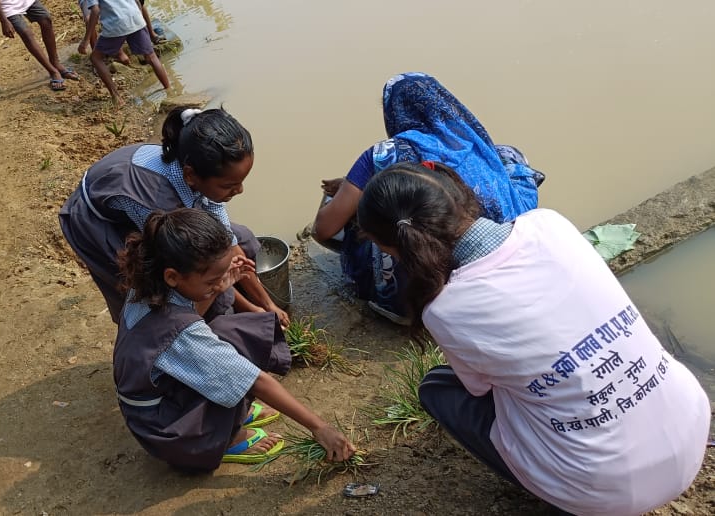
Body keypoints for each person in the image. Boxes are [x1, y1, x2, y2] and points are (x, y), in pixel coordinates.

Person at [355, 161, 710, 516]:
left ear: (397, 247)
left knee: (437, 387)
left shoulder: (446, 309)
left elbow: (480, 390)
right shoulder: (549, 223)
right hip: (690, 424)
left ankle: (560, 494)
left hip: (603, 491)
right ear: (457, 193)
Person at [114, 208, 354, 471]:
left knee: (230, 331)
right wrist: (320, 428)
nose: (217, 284)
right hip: (167, 429)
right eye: (211, 280)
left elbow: (191, 318)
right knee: (233, 364)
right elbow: (254, 379)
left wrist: (218, 287)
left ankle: (232, 416)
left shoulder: (148, 284)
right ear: (172, 276)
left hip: (155, 400)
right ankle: (226, 439)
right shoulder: (179, 332)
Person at [312, 72, 544, 325]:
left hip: (424, 291)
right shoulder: (475, 143)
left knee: (376, 212)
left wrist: (354, 188)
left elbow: (323, 230)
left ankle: (394, 301)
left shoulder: (383, 155)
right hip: (494, 266)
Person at [59, 106, 289, 328]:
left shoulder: (195, 168)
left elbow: (231, 245)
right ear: (191, 175)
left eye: (241, 182)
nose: (239, 191)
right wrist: (250, 307)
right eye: (230, 185)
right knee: (154, 294)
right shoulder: (160, 205)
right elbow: (205, 274)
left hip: (139, 199)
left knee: (243, 238)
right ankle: (166, 343)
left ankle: (225, 324)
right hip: (95, 219)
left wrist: (267, 305)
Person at [78, 0, 170, 104]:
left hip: (116, 24)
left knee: (95, 58)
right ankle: (168, 89)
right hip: (136, 17)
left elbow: (95, 11)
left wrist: (86, 40)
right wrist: (138, 16)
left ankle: (116, 97)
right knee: (151, 57)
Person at [0, 0, 81, 92]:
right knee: (26, 34)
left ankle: (55, 63)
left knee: (46, 19)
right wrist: (3, 20)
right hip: (8, 7)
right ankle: (53, 71)